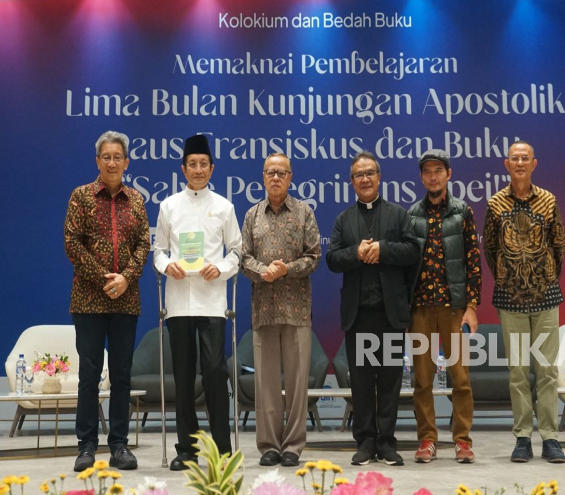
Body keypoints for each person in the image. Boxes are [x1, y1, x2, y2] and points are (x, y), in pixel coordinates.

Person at [152, 134, 242, 471]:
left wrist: (219, 268)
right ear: (183, 168)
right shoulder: (168, 206)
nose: (198, 169)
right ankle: (187, 450)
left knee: (216, 373)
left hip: (212, 303)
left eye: (204, 164)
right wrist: (166, 265)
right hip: (177, 303)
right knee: (184, 376)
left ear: (212, 168)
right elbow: (159, 251)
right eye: (193, 164)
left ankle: (221, 448)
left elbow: (236, 251)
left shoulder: (224, 207)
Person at [326, 151, 420, 467]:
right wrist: (357, 252)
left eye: (370, 173)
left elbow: (412, 252)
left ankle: (387, 443)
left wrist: (382, 250)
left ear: (379, 177)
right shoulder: (343, 219)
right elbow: (332, 260)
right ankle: (365, 442)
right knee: (363, 382)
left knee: (390, 381)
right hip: (359, 316)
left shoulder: (398, 215)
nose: (364, 179)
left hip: (389, 314)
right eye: (358, 175)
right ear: (351, 182)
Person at [65, 130, 150, 472]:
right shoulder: (81, 197)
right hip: (88, 300)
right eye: (106, 157)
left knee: (122, 375)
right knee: (89, 375)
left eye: (118, 157)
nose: (112, 162)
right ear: (97, 161)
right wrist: (105, 279)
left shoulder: (137, 201)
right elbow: (72, 243)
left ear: (126, 162)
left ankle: (119, 445)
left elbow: (144, 244)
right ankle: (86, 445)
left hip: (125, 301)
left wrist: (126, 277)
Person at [483, 140, 565, 464]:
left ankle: (550, 437)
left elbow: (558, 245)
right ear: (507, 164)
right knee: (518, 372)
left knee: (546, 370)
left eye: (525, 158)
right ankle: (522, 437)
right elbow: (491, 249)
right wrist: (510, 278)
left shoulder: (548, 201)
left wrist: (541, 277)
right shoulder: (495, 203)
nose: (519, 163)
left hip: (546, 298)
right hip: (510, 300)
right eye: (514, 158)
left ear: (534, 163)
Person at [241, 153, 321, 467]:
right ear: (263, 176)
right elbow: (243, 257)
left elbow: (313, 257)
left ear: (290, 177)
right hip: (263, 310)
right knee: (267, 384)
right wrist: (264, 271)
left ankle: (293, 446)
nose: (276, 177)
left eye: (282, 172)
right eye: (270, 172)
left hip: (296, 310)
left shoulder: (304, 213)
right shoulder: (251, 215)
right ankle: (269, 445)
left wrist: (285, 269)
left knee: (298, 382)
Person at [406, 149, 481, 464]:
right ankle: (427, 439)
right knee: (422, 378)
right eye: (427, 171)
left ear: (448, 174)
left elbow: (473, 262)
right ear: (422, 177)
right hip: (420, 308)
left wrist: (472, 306)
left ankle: (462, 440)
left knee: (460, 378)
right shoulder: (411, 215)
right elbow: (406, 266)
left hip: (453, 308)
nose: (433, 176)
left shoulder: (462, 212)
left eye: (438, 170)